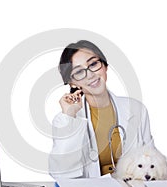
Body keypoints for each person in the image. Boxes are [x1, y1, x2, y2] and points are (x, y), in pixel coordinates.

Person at [48, 40, 154, 179]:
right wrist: (70, 116)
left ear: (105, 66)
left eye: (93, 64)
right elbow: (61, 174)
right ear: (73, 82)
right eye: (79, 72)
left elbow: (153, 163)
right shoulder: (67, 119)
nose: (90, 74)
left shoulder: (136, 109)